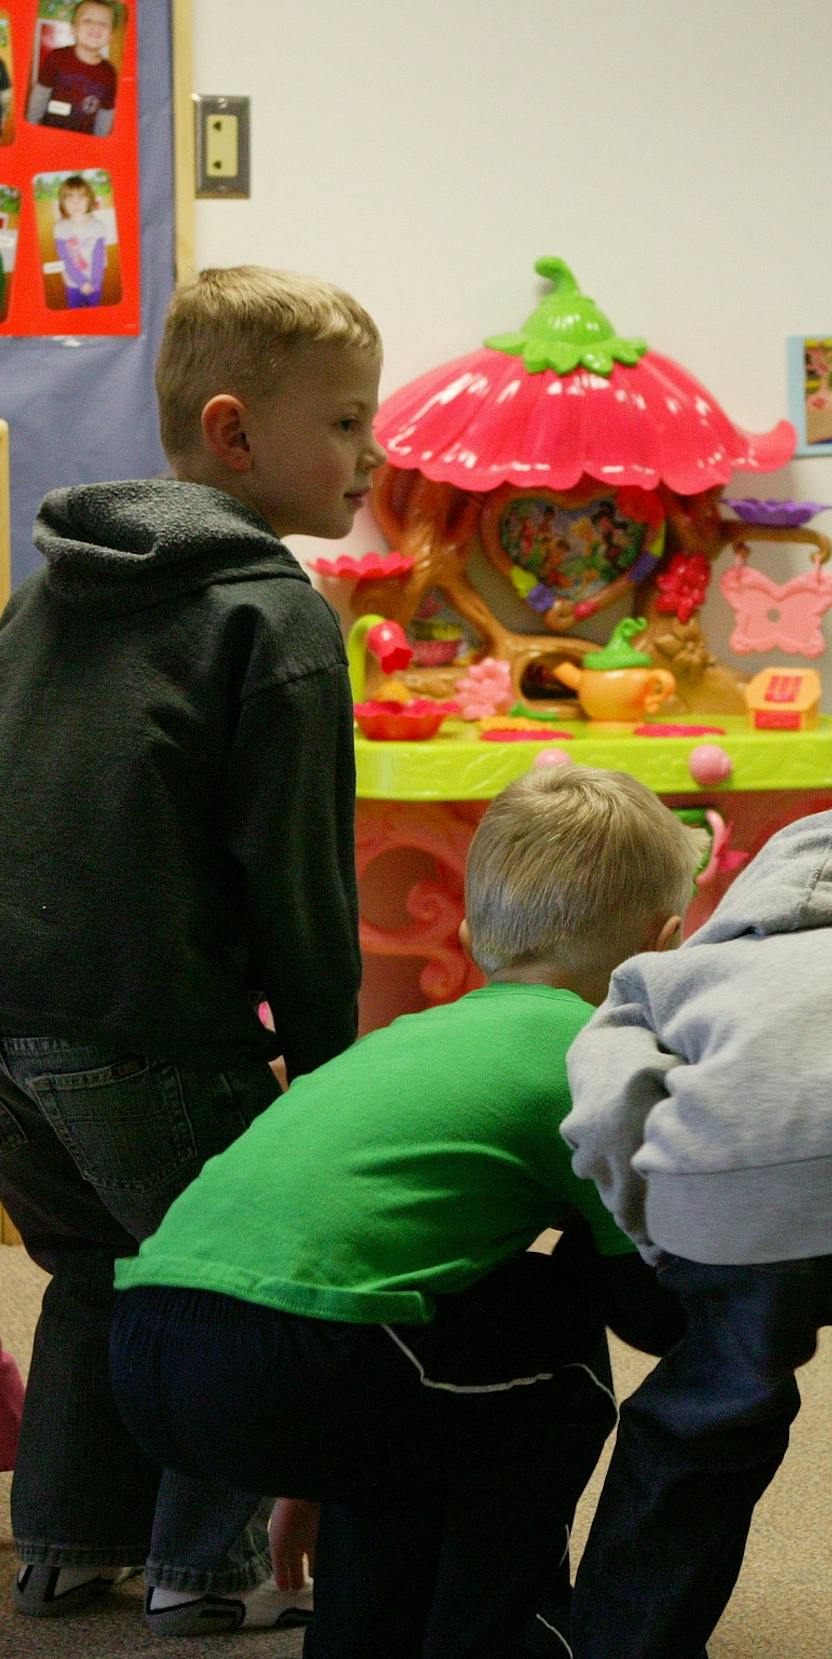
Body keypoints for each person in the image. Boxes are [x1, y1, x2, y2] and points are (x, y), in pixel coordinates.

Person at [109, 765, 695, 1659]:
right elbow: (650, 1310)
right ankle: (501, 1639)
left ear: (470, 933)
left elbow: (325, 1253)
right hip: (304, 1360)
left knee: (455, 1372)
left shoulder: (399, 1041)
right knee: (559, 1362)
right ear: (666, 944)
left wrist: (312, 1470)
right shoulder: (591, 1061)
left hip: (153, 1342)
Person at [0, 264, 380, 1634]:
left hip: (12, 1037)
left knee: (102, 1271)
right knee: (228, 1278)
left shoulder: (47, 595)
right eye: (344, 422)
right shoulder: (272, 615)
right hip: (146, 1025)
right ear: (233, 434)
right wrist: (331, 1075)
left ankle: (61, 1542)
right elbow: (295, 879)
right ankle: (204, 1570)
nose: (371, 452)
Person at [562, 804, 832, 1658]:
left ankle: (624, 1643)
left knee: (705, 1420)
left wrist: (661, 1230)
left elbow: (605, 1100)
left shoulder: (676, 971)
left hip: (739, 1190)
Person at [29, 0, 119, 137]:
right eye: (88, 20)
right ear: (73, 29)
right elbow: (41, 93)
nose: (95, 26)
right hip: (49, 135)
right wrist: (31, 125)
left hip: (84, 143)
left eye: (103, 23)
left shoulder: (109, 73)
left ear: (111, 36)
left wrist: (100, 144)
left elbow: (106, 113)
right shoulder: (57, 57)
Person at [52, 173, 106, 308]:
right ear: (62, 203)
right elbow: (65, 259)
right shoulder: (60, 227)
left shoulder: (98, 226)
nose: (75, 203)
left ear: (89, 200)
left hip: (95, 283)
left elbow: (98, 256)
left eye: (81, 197)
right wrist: (82, 282)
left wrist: (95, 282)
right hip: (73, 284)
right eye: (70, 199)